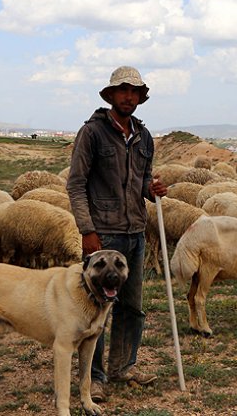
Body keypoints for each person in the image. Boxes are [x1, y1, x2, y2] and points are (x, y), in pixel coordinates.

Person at [66, 65, 168, 402]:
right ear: (111, 95)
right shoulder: (92, 133)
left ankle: (123, 366)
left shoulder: (144, 136)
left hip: (135, 232)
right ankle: (93, 377)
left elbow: (142, 181)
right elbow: (76, 184)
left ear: (140, 97)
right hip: (103, 235)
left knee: (132, 306)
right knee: (94, 308)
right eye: (123, 90)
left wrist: (151, 189)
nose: (128, 96)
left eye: (134, 91)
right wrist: (87, 230)